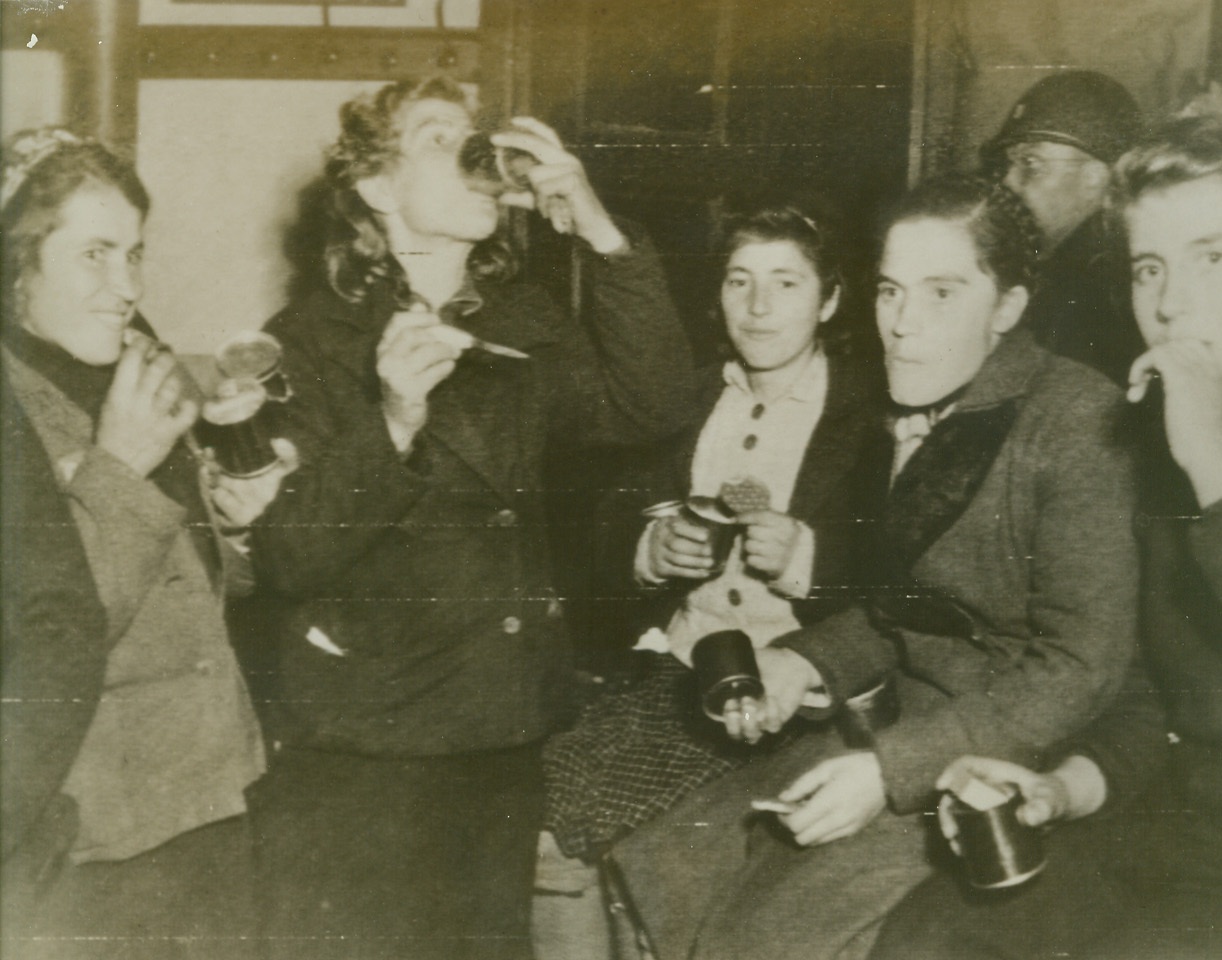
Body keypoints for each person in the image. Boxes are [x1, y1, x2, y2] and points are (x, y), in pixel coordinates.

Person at [610, 176, 1140, 960]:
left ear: (1008, 308)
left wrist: (892, 772)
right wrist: (798, 663)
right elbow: (902, 612)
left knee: (753, 938)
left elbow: (1081, 667)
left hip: (1009, 753)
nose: (901, 326)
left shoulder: (1073, 420)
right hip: (900, 719)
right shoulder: (922, 407)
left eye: (942, 293)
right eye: (891, 291)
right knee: (660, 861)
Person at [245, 76, 695, 960]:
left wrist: (596, 227)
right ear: (377, 188)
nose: (476, 154)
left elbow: (656, 404)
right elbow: (286, 555)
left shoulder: (521, 321)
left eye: (474, 135)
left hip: (502, 724)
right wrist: (393, 424)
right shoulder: (308, 340)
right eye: (440, 137)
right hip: (373, 747)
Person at [870, 111, 1222, 960]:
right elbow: (1158, 704)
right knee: (925, 938)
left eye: (1214, 259)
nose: (1170, 305)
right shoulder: (1162, 450)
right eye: (1148, 268)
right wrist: (1053, 791)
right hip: (1181, 839)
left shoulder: (1194, 450)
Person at [533, 198, 889, 958]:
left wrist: (809, 561)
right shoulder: (686, 399)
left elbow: (907, 583)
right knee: (548, 833)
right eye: (739, 282)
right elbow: (605, 524)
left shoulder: (875, 416)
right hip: (678, 673)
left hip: (806, 698)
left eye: (787, 284)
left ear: (830, 300)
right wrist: (646, 549)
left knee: (672, 864)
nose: (758, 309)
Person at [0, 128, 291, 959]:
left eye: (134, 255)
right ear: (19, 260)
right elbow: (46, 634)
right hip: (91, 832)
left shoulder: (128, 368)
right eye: (95, 254)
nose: (125, 286)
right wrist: (120, 467)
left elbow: (193, 595)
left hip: (209, 798)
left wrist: (233, 523)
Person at [984, 70, 1146, 384]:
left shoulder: (1093, 299)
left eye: (1031, 163)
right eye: (1009, 163)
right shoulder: (1070, 274)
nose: (1007, 181)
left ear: (1096, 177)